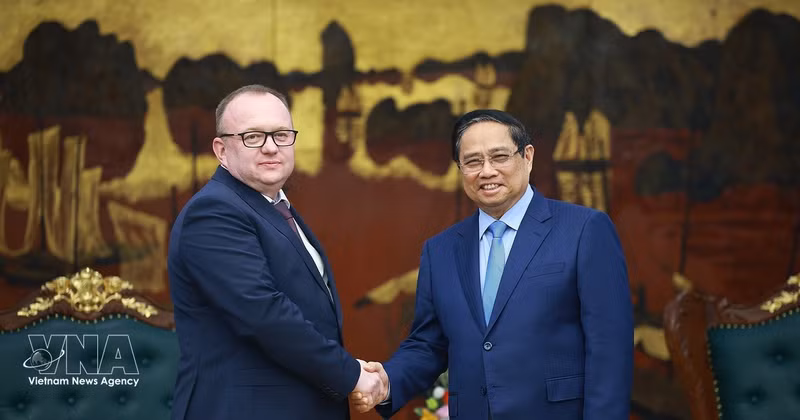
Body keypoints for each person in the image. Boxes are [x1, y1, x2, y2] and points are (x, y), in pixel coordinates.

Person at [354, 109, 633, 419]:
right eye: (472, 162)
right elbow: (428, 344)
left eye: (499, 157)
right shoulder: (441, 251)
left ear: (527, 157)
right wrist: (386, 383)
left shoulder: (584, 230)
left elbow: (610, 351)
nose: (486, 171)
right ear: (460, 169)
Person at [168, 84, 385, 420]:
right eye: (253, 137)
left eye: (281, 134)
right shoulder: (213, 211)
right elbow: (264, 314)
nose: (271, 148)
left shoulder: (273, 206)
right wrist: (352, 375)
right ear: (221, 149)